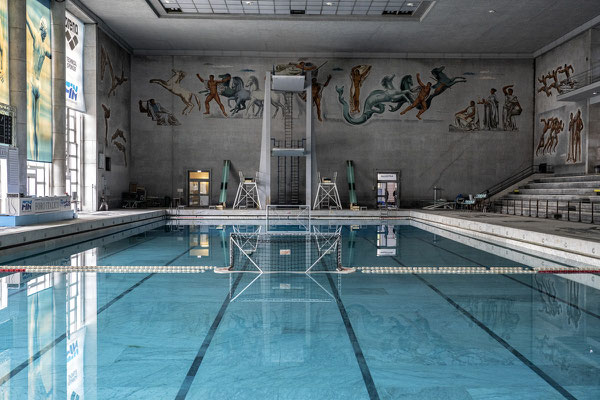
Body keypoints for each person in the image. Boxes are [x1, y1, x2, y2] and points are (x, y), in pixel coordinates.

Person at [26, 14, 52, 161]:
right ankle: (36, 158)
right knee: (36, 126)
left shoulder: (36, 39)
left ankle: (33, 158)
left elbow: (27, 20)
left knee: (32, 125)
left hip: (32, 82)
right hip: (39, 85)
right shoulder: (45, 48)